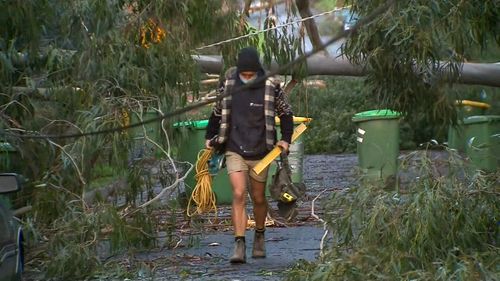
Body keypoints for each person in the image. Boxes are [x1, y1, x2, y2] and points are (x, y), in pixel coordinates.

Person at [205, 46, 294, 263]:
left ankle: (260, 237)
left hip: (261, 151)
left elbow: (286, 113)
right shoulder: (228, 84)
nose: (247, 78)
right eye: (243, 74)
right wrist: (210, 136)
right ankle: (239, 244)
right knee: (238, 193)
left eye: (250, 75)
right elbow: (217, 112)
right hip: (234, 148)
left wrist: (286, 138)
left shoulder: (271, 86)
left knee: (258, 197)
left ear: (257, 72)